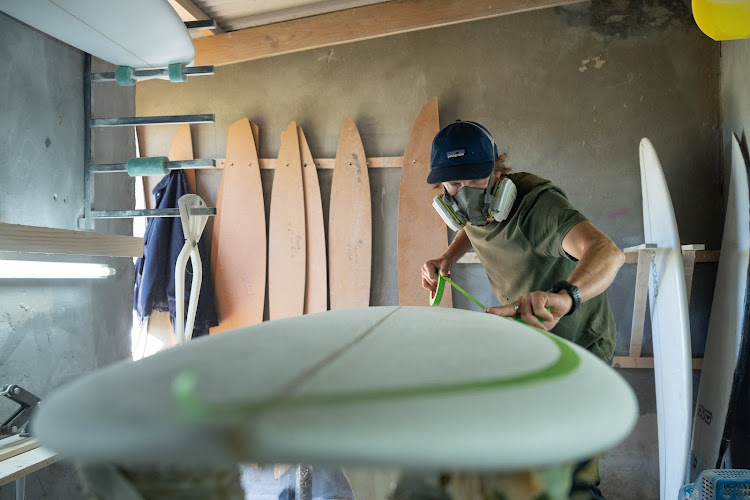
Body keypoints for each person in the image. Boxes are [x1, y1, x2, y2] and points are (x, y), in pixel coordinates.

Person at [421, 120, 625, 499]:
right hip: (531, 340)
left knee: (571, 471)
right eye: (453, 185)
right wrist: (447, 257)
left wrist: (565, 298)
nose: (463, 195)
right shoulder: (477, 209)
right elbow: (473, 224)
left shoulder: (538, 207)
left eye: (474, 181)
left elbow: (608, 253)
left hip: (578, 343)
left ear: (497, 173)